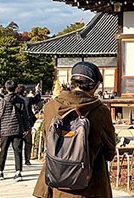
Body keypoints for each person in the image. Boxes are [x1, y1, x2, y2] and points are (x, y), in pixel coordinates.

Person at [33, 61, 116, 198]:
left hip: (56, 182)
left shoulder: (51, 107)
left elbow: (47, 140)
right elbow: (110, 151)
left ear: (71, 82)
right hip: (91, 185)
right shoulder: (100, 111)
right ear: (95, 86)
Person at [0, 79, 30, 181]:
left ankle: (0, 172)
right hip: (17, 128)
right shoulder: (20, 100)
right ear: (15, 88)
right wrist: (26, 128)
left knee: (3, 151)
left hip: (5, 128)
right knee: (17, 151)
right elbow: (25, 115)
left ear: (6, 89)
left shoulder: (3, 101)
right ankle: (18, 172)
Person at [16, 83, 42, 165]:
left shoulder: (14, 100)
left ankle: (18, 160)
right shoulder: (27, 99)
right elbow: (37, 99)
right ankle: (27, 159)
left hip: (17, 124)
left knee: (18, 144)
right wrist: (37, 91)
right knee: (28, 143)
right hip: (27, 123)